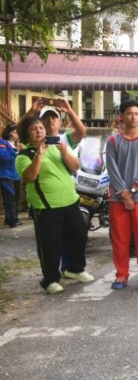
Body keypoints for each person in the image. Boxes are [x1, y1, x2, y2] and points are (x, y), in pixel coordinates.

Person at [16, 114, 93, 294]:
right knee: (50, 244)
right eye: (33, 129)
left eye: (40, 128)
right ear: (26, 135)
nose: (39, 131)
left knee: (79, 235)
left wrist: (65, 152)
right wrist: (39, 155)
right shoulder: (23, 155)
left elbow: (75, 166)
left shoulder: (55, 147)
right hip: (47, 206)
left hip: (70, 200)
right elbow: (29, 177)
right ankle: (50, 279)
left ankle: (75, 269)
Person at [105, 99, 138, 290]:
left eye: (136, 113)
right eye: (129, 113)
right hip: (118, 198)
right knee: (120, 238)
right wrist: (124, 194)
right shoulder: (113, 141)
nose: (133, 117)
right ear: (122, 116)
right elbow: (112, 169)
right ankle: (121, 275)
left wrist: (134, 190)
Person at [0, 124, 21, 228]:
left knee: (17, 197)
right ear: (9, 133)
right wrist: (16, 150)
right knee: (10, 198)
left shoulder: (16, 144)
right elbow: (4, 157)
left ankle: (12, 218)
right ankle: (12, 219)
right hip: (6, 175)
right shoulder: (3, 143)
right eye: (15, 132)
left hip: (16, 175)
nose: (17, 134)